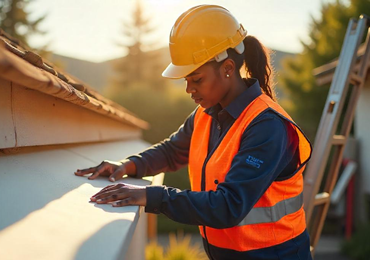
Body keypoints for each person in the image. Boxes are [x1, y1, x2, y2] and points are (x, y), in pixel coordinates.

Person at [75, 5, 313, 260]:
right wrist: (128, 165)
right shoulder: (206, 114)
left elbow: (228, 206)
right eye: (186, 80)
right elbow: (172, 151)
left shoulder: (267, 126)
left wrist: (149, 196)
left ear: (228, 68)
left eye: (196, 79)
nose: (188, 89)